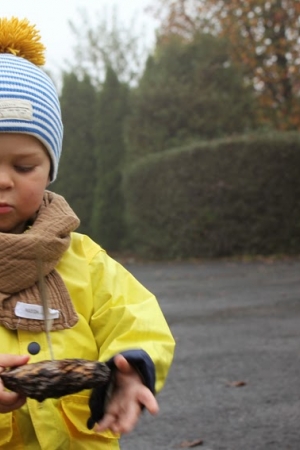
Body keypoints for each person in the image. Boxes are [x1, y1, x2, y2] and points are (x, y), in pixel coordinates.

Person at [0, 17, 175, 449]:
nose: (3, 180)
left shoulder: (83, 258)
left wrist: (131, 369)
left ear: (49, 171)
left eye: (23, 167)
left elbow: (137, 319)